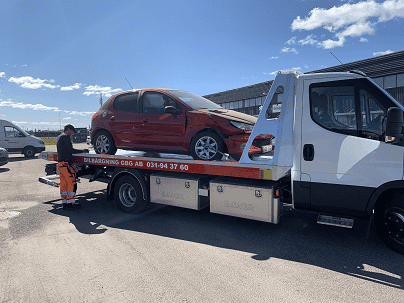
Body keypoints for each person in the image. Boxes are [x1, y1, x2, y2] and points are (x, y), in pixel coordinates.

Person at [56, 124, 88, 210]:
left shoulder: (59, 137)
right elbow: (70, 150)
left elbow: (66, 151)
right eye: (73, 131)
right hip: (66, 164)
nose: (73, 134)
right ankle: (71, 204)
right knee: (71, 183)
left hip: (61, 164)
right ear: (69, 129)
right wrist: (83, 151)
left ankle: (65, 203)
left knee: (64, 184)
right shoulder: (65, 137)